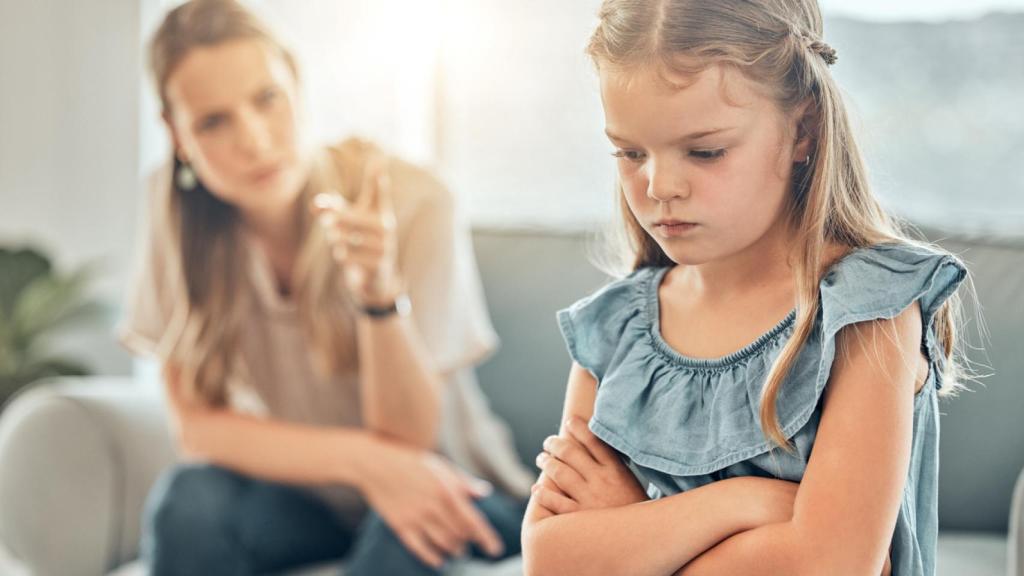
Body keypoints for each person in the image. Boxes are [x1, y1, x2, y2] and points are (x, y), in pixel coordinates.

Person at [522, 1, 968, 575]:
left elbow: (829, 564)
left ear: (803, 130)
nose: (659, 185)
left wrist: (633, 530)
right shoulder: (615, 328)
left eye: (704, 152)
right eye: (631, 153)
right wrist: (748, 503)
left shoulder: (868, 309)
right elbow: (550, 559)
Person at [119, 1, 531, 574]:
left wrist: (377, 294)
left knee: (405, 534)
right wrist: (361, 463)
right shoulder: (173, 209)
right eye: (214, 122)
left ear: (298, 85)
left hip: (454, 482)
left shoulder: (414, 200)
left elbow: (410, 438)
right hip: (315, 502)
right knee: (188, 502)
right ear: (176, 133)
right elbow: (198, 428)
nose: (255, 141)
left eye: (267, 99)